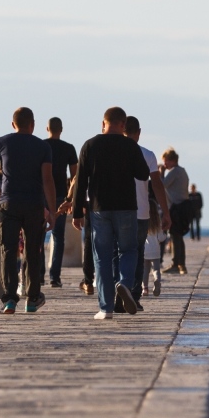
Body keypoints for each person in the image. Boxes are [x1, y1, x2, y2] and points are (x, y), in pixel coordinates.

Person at [71, 106, 150, 320]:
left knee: (102, 257)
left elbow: (80, 182)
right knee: (129, 250)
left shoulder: (90, 145)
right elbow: (143, 174)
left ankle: (105, 309)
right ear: (123, 125)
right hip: (126, 207)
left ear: (103, 123)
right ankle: (124, 283)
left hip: (99, 209)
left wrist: (77, 211)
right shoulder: (130, 146)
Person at [0, 107, 57, 314]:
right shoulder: (42, 147)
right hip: (34, 204)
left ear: (13, 124)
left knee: (8, 250)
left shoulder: (1, 142)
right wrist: (52, 210)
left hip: (9, 204)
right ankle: (32, 299)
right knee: (32, 251)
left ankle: (9, 300)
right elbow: (47, 180)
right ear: (32, 125)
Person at [125, 116, 170, 304]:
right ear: (139, 132)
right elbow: (157, 185)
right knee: (137, 253)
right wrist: (165, 213)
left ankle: (120, 286)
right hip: (142, 211)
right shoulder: (148, 155)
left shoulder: (113, 153)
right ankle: (134, 295)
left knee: (118, 251)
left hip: (118, 211)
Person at [43, 117, 78, 289]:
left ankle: (38, 274)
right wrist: (71, 199)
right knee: (58, 237)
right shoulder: (69, 148)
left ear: (46, 128)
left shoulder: (40, 145)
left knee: (37, 235)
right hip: (60, 196)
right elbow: (75, 177)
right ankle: (54, 277)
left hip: (41, 195)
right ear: (61, 129)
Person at [160, 148, 191, 274]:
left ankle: (176, 264)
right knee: (177, 236)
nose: (165, 164)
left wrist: (161, 173)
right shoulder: (181, 171)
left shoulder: (175, 171)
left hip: (177, 207)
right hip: (182, 206)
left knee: (175, 235)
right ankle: (180, 264)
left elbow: (162, 185)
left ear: (172, 161)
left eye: (166, 161)